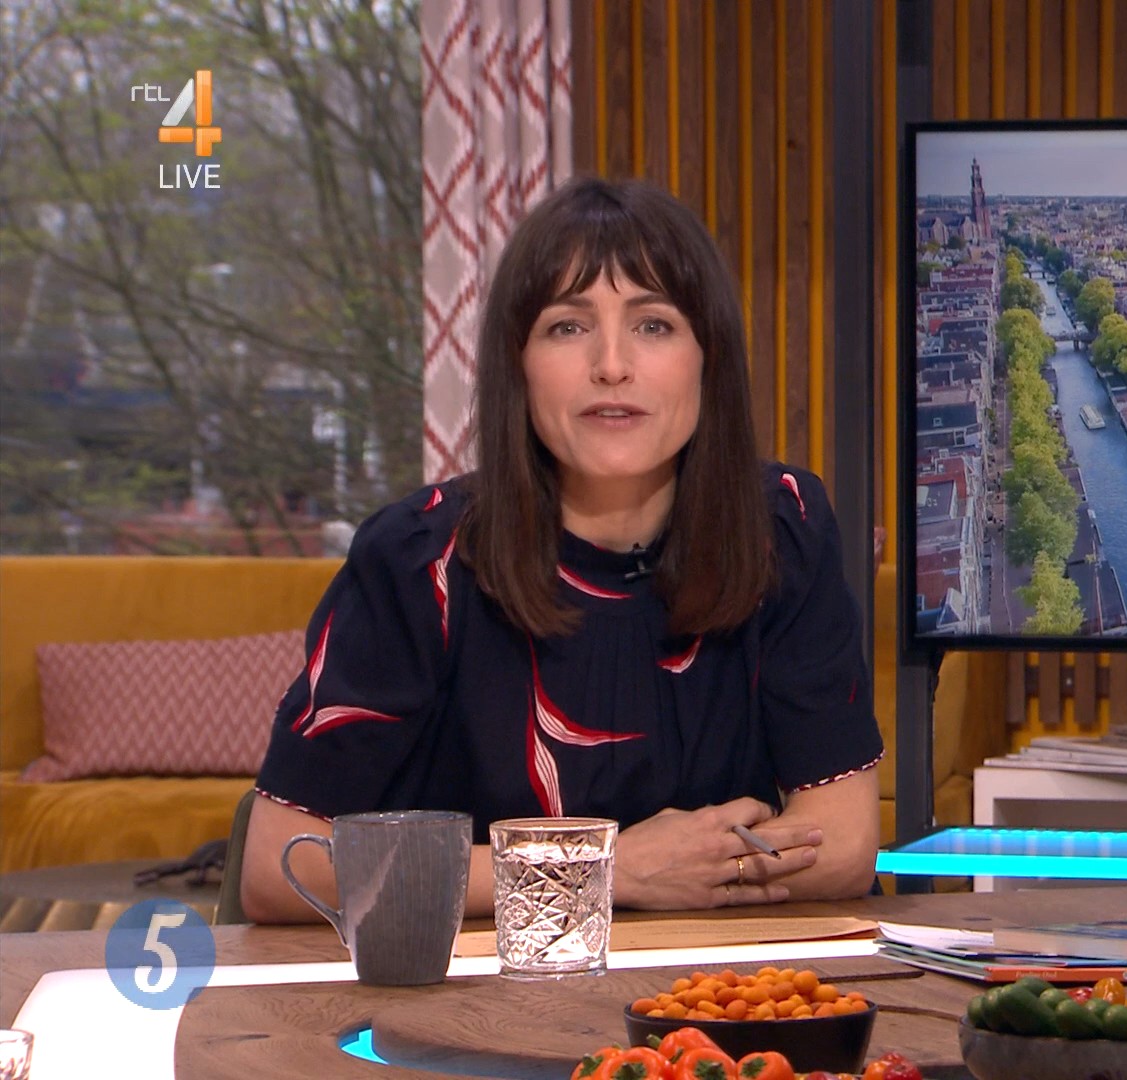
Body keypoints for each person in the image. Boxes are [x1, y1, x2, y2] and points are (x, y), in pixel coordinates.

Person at [241, 178, 884, 922]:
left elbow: (843, 844)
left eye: (654, 324)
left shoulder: (782, 530)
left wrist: (666, 878)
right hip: (481, 982)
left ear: (709, 357)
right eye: (568, 326)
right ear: (517, 363)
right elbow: (282, 866)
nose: (611, 364)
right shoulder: (419, 561)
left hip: (709, 982)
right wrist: (605, 872)